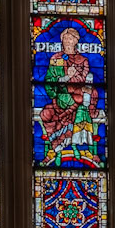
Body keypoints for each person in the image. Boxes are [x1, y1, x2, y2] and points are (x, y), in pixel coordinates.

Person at [38, 26, 99, 164]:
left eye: (70, 38)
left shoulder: (83, 60)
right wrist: (66, 77)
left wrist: (73, 80)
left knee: (86, 98)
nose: (67, 41)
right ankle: (56, 148)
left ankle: (75, 147)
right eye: (65, 38)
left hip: (77, 95)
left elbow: (84, 79)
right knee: (46, 113)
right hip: (61, 97)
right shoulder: (56, 59)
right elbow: (49, 80)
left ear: (76, 41)